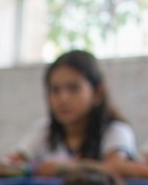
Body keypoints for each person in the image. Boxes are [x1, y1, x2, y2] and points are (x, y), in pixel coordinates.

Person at [10, 50, 138, 174]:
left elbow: (115, 169)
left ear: (97, 93)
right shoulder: (44, 131)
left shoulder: (116, 131)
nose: (63, 99)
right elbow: (10, 164)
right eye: (55, 90)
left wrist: (59, 169)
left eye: (73, 88)